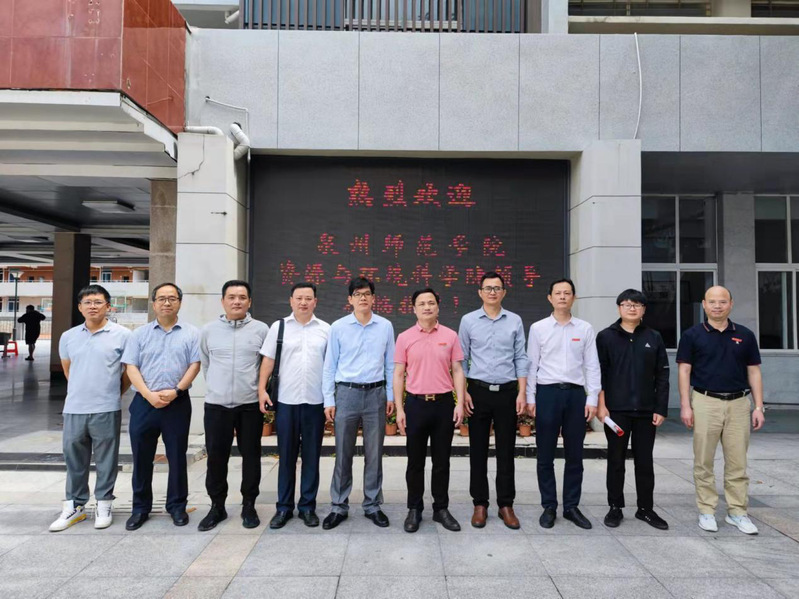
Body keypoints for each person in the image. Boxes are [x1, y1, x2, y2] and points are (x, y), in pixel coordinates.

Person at [677, 285, 765, 535]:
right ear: (704, 304)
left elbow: (754, 371)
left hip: (739, 403)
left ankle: (737, 512)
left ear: (731, 304)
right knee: (703, 460)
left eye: (722, 301)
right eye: (712, 302)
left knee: (738, 461)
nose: (717, 306)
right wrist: (685, 405)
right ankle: (707, 510)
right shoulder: (692, 335)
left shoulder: (745, 335)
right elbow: (684, 371)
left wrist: (759, 406)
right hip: (705, 401)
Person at [49, 284, 131, 532]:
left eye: (98, 302)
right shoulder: (68, 336)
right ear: (80, 307)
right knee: (74, 459)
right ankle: (75, 506)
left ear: (108, 306)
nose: (92, 306)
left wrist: (112, 393)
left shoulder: (123, 335)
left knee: (106, 459)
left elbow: (128, 372)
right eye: (87, 302)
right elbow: (68, 370)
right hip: (74, 407)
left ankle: (104, 504)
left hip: (106, 407)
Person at [122, 283, 201, 530]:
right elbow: (131, 366)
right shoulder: (139, 334)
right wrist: (148, 394)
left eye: (172, 298)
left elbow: (195, 365)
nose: (167, 303)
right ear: (153, 303)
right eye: (162, 298)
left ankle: (177, 506)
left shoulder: (192, 333)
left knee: (177, 456)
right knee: (141, 457)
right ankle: (140, 508)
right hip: (144, 403)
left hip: (177, 403)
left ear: (180, 302)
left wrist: (176, 391)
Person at [526, 278, 600, 530]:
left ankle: (571, 507)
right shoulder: (538, 328)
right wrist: (530, 398)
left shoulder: (585, 329)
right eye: (557, 293)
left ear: (574, 298)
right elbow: (531, 365)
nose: (562, 297)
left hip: (576, 395)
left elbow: (592, 366)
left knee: (575, 455)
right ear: (550, 297)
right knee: (545, 454)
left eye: (567, 293)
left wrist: (592, 398)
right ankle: (549, 506)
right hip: (547, 393)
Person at [322, 276, 395, 530]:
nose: (363, 298)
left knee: (374, 453)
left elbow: (390, 364)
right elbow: (329, 366)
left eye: (367, 294)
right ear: (349, 299)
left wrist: (390, 396)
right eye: (357, 294)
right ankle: (338, 506)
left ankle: (372, 504)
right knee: (343, 452)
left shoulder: (385, 326)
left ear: (374, 298)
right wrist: (329, 399)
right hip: (347, 393)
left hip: (376, 394)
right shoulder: (338, 327)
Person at [458, 271, 528, 529]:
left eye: (497, 288)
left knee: (506, 450)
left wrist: (522, 392)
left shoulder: (515, 321)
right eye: (488, 288)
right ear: (480, 292)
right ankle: (480, 504)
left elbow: (521, 357)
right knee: (477, 450)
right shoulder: (468, 321)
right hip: (478, 392)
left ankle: (506, 505)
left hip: (508, 392)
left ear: (504, 292)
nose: (492, 292)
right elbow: (461, 359)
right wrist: (463, 392)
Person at [198, 280, 269, 531]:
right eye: (231, 297)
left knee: (251, 456)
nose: (236, 301)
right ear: (223, 301)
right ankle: (217, 506)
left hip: (249, 405)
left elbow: (265, 366)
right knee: (216, 458)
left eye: (242, 297)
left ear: (249, 302)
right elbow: (206, 364)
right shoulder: (208, 331)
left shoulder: (261, 330)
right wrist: (218, 387)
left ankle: (249, 505)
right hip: (217, 406)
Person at [259, 282, 330, 529]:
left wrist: (330, 400)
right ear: (291, 301)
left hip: (315, 402)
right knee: (287, 456)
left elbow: (330, 367)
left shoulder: (326, 330)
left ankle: (308, 507)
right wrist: (261, 390)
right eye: (299, 298)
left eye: (308, 298)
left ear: (315, 302)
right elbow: (268, 361)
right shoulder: (278, 327)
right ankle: (284, 508)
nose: (303, 302)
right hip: (286, 402)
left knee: (312, 457)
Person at [596, 289, 669, 530]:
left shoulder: (653, 337)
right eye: (626, 304)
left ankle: (645, 509)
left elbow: (662, 375)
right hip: (616, 412)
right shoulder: (605, 337)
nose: (631, 308)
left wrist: (660, 408)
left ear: (643, 309)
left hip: (646, 412)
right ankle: (615, 507)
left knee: (644, 461)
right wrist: (601, 405)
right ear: (619, 308)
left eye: (637, 305)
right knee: (616, 460)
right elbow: (599, 374)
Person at [394, 288, 466, 533]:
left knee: (441, 461)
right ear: (413, 309)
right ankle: (414, 509)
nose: (427, 307)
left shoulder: (450, 335)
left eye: (431, 303)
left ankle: (441, 509)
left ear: (438, 307)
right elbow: (398, 374)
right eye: (422, 303)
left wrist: (459, 402)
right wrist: (399, 409)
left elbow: (457, 370)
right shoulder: (404, 337)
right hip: (415, 405)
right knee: (415, 462)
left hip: (443, 404)